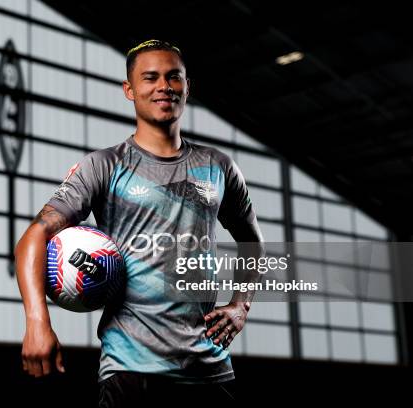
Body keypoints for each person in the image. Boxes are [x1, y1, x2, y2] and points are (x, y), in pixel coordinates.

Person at [15, 39, 265, 407]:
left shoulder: (219, 167)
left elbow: (252, 241)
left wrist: (240, 305)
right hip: (131, 372)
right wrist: (37, 321)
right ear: (129, 90)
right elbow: (33, 238)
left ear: (187, 86)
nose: (164, 86)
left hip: (209, 369)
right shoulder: (103, 166)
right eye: (150, 78)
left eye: (173, 77)